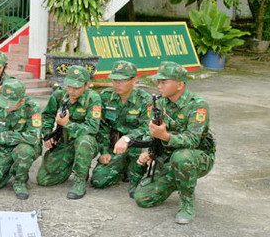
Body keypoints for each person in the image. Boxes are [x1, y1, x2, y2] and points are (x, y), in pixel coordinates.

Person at [134, 61, 216, 225]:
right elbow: (152, 133)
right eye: (158, 82)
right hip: (168, 157)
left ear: (179, 85)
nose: (159, 86)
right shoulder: (160, 103)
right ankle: (178, 179)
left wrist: (166, 136)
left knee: (182, 157)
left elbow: (193, 139)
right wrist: (150, 152)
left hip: (197, 157)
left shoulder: (197, 105)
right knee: (142, 198)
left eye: (164, 82)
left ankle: (187, 202)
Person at [37, 65, 102, 200]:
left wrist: (67, 124)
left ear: (86, 85)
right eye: (69, 86)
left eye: (76, 88)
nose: (71, 91)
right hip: (64, 142)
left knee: (84, 141)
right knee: (44, 180)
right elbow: (47, 115)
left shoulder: (93, 99)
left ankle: (80, 179)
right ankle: (71, 163)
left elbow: (92, 128)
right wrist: (48, 134)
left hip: (85, 144)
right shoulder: (59, 95)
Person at [91, 60, 152, 198]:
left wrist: (127, 138)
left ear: (134, 80)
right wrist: (104, 151)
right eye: (114, 80)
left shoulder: (144, 100)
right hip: (115, 147)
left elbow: (147, 127)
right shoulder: (105, 97)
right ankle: (123, 166)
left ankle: (135, 177)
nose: (117, 85)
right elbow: (102, 127)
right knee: (98, 181)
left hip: (135, 146)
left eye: (122, 81)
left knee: (141, 142)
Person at [0, 79, 42, 200]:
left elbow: (34, 138)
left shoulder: (32, 108)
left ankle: (20, 180)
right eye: (4, 101)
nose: (6, 106)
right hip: (2, 151)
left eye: (11, 103)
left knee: (24, 151)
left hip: (24, 147)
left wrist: (4, 136)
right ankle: (9, 168)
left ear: (21, 101)